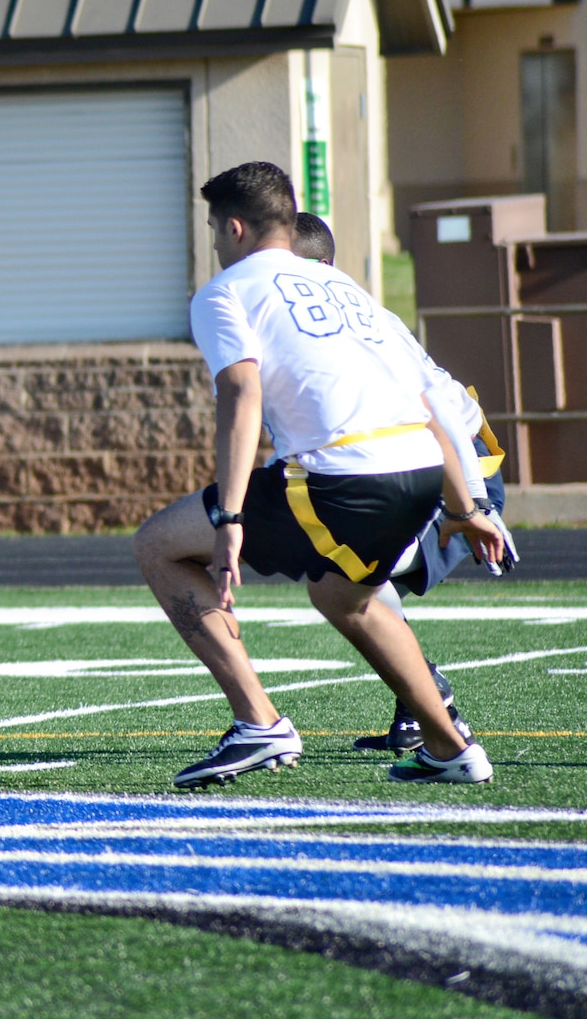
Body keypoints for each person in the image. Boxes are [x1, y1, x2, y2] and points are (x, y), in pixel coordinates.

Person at [133, 163, 506, 788]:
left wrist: (229, 519)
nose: (216, 245)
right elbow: (425, 403)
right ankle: (451, 749)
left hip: (344, 474)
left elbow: (240, 393)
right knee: (341, 594)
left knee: (158, 545)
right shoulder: (348, 289)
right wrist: (465, 504)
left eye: (214, 231)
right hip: (422, 465)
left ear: (233, 227)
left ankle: (259, 724)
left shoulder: (225, 291)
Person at [289, 212, 517, 754]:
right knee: (338, 560)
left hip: (456, 471)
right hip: (419, 465)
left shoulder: (353, 320)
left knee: (344, 567)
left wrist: (472, 503)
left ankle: (428, 699)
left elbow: (435, 408)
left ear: (318, 267)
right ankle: (419, 703)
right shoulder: (306, 320)